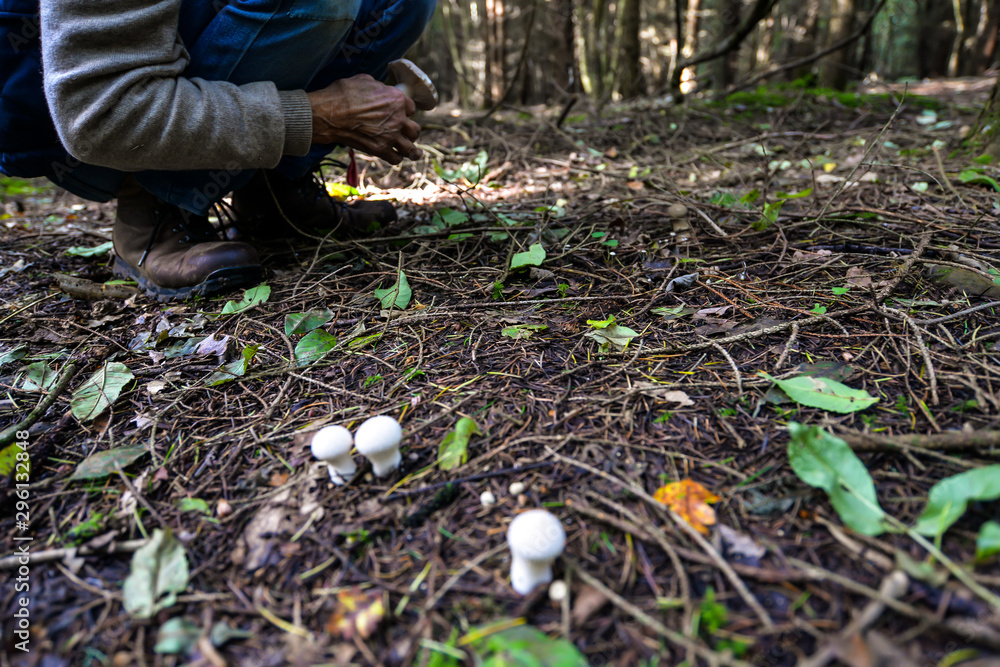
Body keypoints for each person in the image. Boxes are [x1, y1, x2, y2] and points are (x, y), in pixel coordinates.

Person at [0, 0, 435, 299]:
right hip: (76, 114)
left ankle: (272, 193)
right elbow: (102, 113)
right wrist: (314, 115)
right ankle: (154, 203)